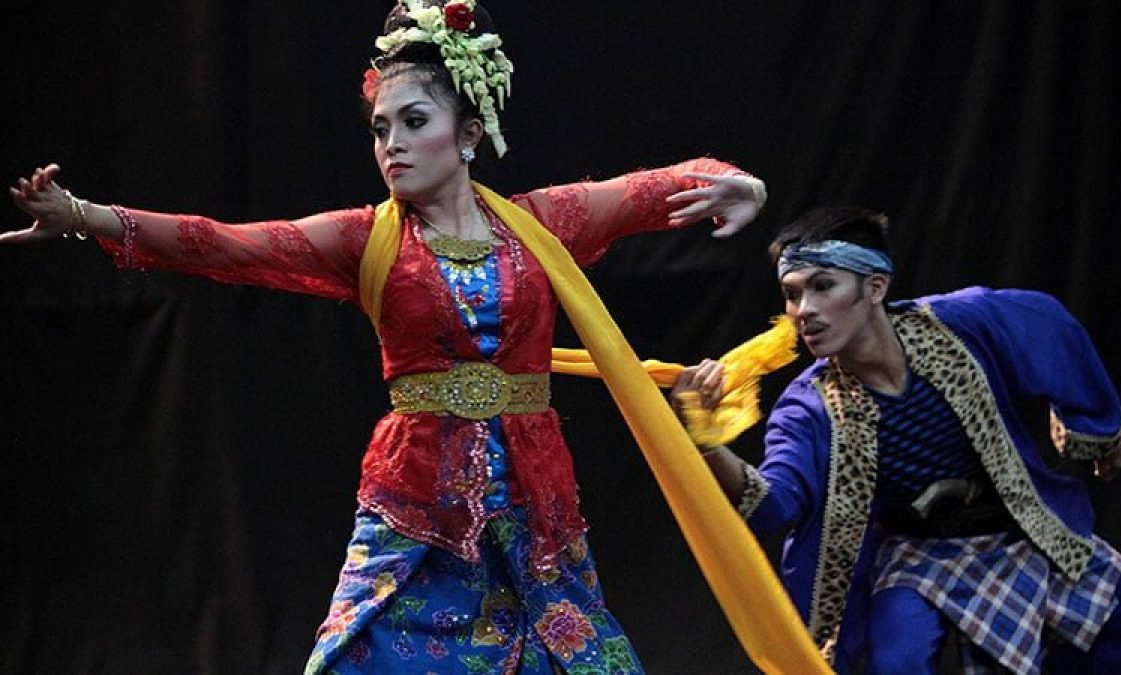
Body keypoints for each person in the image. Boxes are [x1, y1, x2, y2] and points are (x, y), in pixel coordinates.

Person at [3, 1, 768, 672]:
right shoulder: (365, 240)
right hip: (417, 502)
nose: (390, 144)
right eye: (379, 129)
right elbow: (225, 244)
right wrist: (84, 217)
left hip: (533, 497)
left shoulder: (537, 226)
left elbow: (639, 193)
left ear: (469, 134)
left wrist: (734, 180)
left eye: (414, 122)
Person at [670, 205, 1121, 674]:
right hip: (917, 560)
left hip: (1026, 531)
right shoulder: (809, 408)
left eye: (822, 286)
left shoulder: (961, 324)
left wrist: (1092, 419)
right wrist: (704, 440)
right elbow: (772, 505)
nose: (803, 309)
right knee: (897, 662)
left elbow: (1048, 325)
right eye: (792, 294)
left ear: (875, 288)